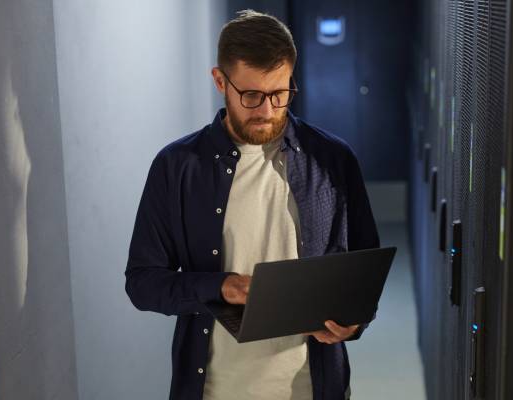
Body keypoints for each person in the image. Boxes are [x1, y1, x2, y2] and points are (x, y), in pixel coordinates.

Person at [125, 9, 379, 400]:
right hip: (214, 390)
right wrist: (222, 287)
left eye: (279, 94)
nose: (266, 111)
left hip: (314, 388)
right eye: (252, 96)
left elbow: (364, 272)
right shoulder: (176, 167)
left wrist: (354, 323)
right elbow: (143, 284)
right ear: (219, 81)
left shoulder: (334, 160)